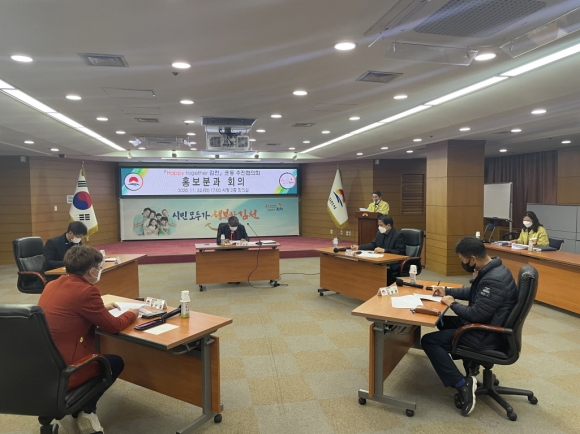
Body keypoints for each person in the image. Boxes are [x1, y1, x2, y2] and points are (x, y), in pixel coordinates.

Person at [38, 246, 139, 434]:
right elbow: (113, 327)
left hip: (44, 364)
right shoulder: (86, 291)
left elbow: (70, 310)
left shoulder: (51, 285)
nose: (100, 271)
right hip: (68, 368)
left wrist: (101, 309)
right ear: (92, 271)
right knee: (114, 363)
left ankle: (77, 410)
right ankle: (86, 410)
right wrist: (133, 313)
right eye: (99, 268)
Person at [421, 237, 518, 417]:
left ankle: (462, 385)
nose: (462, 262)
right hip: (489, 323)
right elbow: (474, 293)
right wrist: (447, 291)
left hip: (485, 334)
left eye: (462, 259)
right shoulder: (495, 269)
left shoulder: (494, 280)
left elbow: (476, 314)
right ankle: (471, 363)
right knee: (441, 321)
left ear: (473, 258)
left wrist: (452, 303)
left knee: (429, 341)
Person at [350, 215, 406, 282]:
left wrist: (384, 250)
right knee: (365, 266)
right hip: (380, 260)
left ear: (388, 225)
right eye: (378, 225)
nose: (379, 227)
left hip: (393, 263)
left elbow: (400, 251)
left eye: (381, 225)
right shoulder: (379, 233)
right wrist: (359, 247)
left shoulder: (398, 235)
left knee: (377, 270)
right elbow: (373, 244)